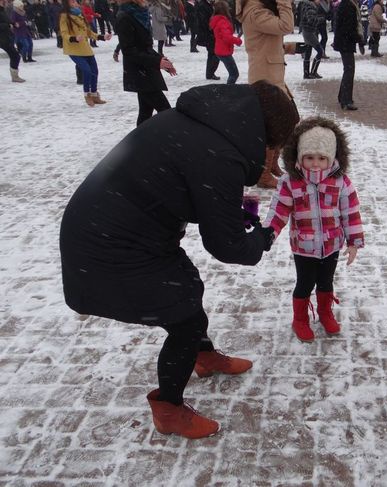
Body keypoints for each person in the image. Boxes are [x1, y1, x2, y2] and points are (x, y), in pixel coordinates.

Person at [60, 81, 300, 440]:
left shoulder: (207, 122)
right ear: (266, 136)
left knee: (186, 285)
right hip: (107, 246)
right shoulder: (220, 152)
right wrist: (261, 239)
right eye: (275, 147)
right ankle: (169, 409)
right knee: (183, 317)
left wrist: (235, 213)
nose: (272, 156)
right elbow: (228, 246)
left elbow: (198, 190)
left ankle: (202, 357)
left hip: (109, 227)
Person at [263, 117, 364, 342]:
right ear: (299, 156)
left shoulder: (340, 182)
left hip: (331, 245)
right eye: (309, 158)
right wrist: (268, 232)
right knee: (305, 283)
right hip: (304, 246)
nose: (315, 164)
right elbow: (278, 209)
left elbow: (351, 212)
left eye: (321, 158)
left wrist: (354, 241)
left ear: (332, 158)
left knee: (326, 282)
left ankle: (325, 312)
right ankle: (299, 319)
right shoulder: (291, 182)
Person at [236, 0, 296, 187]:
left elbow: (264, 42)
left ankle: (272, 164)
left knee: (287, 120)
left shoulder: (258, 10)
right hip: (265, 77)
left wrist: (285, 49)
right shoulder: (255, 12)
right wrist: (284, 3)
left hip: (272, 74)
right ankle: (262, 174)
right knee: (273, 126)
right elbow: (286, 26)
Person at [115, 0, 177, 125]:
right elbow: (129, 51)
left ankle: (139, 142)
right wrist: (156, 61)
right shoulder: (125, 17)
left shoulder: (141, 13)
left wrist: (162, 61)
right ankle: (175, 140)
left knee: (145, 113)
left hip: (147, 70)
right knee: (165, 111)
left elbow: (146, 46)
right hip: (139, 73)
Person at [59, 0, 112, 106]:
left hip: (85, 48)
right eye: (72, 1)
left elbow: (88, 32)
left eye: (75, 1)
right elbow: (64, 33)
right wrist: (74, 38)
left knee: (95, 71)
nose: (75, 3)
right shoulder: (64, 16)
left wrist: (102, 37)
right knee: (87, 71)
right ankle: (87, 94)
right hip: (74, 49)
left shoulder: (79, 13)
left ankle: (94, 94)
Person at [333, 0, 364, 110]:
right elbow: (348, 28)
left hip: (344, 42)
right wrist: (359, 39)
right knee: (349, 70)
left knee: (348, 69)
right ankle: (346, 100)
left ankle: (342, 97)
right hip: (345, 43)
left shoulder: (347, 4)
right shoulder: (348, 6)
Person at [209, 0, 242, 84]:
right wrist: (238, 41)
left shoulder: (217, 20)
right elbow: (227, 37)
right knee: (234, 74)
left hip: (220, 50)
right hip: (224, 51)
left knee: (233, 73)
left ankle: (230, 91)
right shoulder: (223, 21)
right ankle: (229, 92)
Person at [1, 0, 25, 81]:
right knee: (15, 56)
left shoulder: (2, 10)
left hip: (6, 36)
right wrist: (8, 25)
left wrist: (13, 23)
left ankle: (15, 76)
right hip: (2, 38)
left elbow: (7, 21)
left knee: (15, 56)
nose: (5, 2)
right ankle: (15, 77)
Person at [300, 0, 325, 79]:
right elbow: (311, 20)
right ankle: (313, 72)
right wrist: (321, 19)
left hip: (307, 31)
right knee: (320, 51)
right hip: (309, 32)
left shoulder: (306, 5)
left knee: (308, 52)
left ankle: (306, 73)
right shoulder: (311, 7)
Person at [196, 0, 220, 79]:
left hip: (209, 33)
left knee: (212, 54)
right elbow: (204, 21)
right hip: (208, 34)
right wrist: (211, 29)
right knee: (213, 54)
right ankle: (210, 73)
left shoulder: (207, 4)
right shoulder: (203, 5)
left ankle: (210, 73)